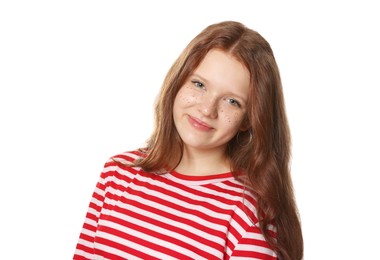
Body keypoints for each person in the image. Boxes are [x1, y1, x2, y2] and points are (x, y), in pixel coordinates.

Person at [73, 20, 303, 260]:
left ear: (249, 119)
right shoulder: (117, 173)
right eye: (199, 84)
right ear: (178, 81)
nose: (207, 109)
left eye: (232, 101)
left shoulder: (249, 214)